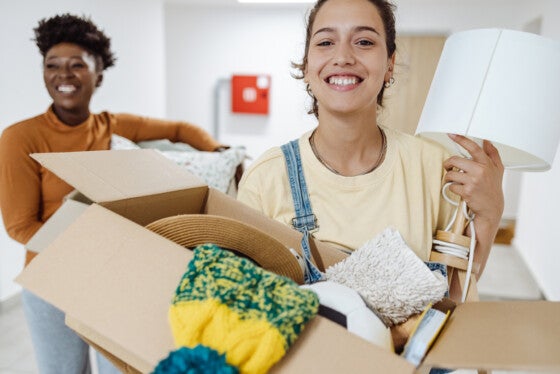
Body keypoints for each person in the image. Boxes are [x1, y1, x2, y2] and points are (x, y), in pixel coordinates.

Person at [0, 13, 225, 374]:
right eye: (52, 65)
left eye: (77, 65)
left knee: (120, 370)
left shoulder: (113, 126)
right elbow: (19, 226)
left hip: (115, 277)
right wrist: (89, 242)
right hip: (52, 278)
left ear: (98, 74)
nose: (63, 75)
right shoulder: (20, 138)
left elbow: (182, 129)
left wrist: (223, 154)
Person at [237, 0, 504, 288]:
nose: (343, 57)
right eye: (326, 42)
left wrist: (490, 213)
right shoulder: (265, 179)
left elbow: (456, 292)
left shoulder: (435, 168)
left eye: (364, 41)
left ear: (389, 64)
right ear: (306, 65)